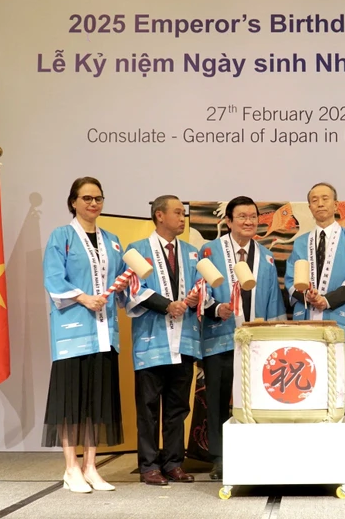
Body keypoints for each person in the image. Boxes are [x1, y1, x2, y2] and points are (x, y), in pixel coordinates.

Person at [42, 176, 127, 493]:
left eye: (99, 198)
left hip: (105, 332)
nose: (94, 203)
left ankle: (91, 466)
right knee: (71, 403)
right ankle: (71, 468)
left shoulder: (113, 240)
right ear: (73, 201)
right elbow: (53, 278)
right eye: (87, 198)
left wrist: (129, 286)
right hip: (73, 331)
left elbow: (121, 284)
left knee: (96, 402)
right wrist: (83, 297)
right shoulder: (61, 236)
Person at [284, 182, 345, 479]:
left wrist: (328, 299)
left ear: (336, 205)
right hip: (306, 322)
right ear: (309, 207)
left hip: (338, 323)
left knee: (338, 390)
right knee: (306, 388)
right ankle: (308, 458)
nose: (319, 204)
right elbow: (289, 281)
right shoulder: (300, 242)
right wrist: (306, 295)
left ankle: (341, 458)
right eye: (314, 200)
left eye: (325, 199)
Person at [199, 196, 287, 480]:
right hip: (220, 336)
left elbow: (273, 300)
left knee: (254, 398)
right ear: (228, 221)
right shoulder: (209, 251)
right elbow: (199, 292)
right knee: (218, 397)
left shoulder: (266, 256)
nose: (249, 222)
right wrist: (216, 308)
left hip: (255, 342)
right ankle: (220, 458)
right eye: (242, 217)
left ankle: (254, 452)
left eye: (253, 217)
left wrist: (275, 337)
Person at [124, 195, 202, 486]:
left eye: (184, 214)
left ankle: (173, 462)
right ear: (159, 215)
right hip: (151, 340)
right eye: (178, 213)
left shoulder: (192, 253)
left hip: (183, 340)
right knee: (147, 406)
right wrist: (167, 304)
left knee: (177, 406)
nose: (183, 218)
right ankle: (148, 465)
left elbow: (200, 287)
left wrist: (196, 298)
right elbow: (134, 290)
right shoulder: (138, 250)